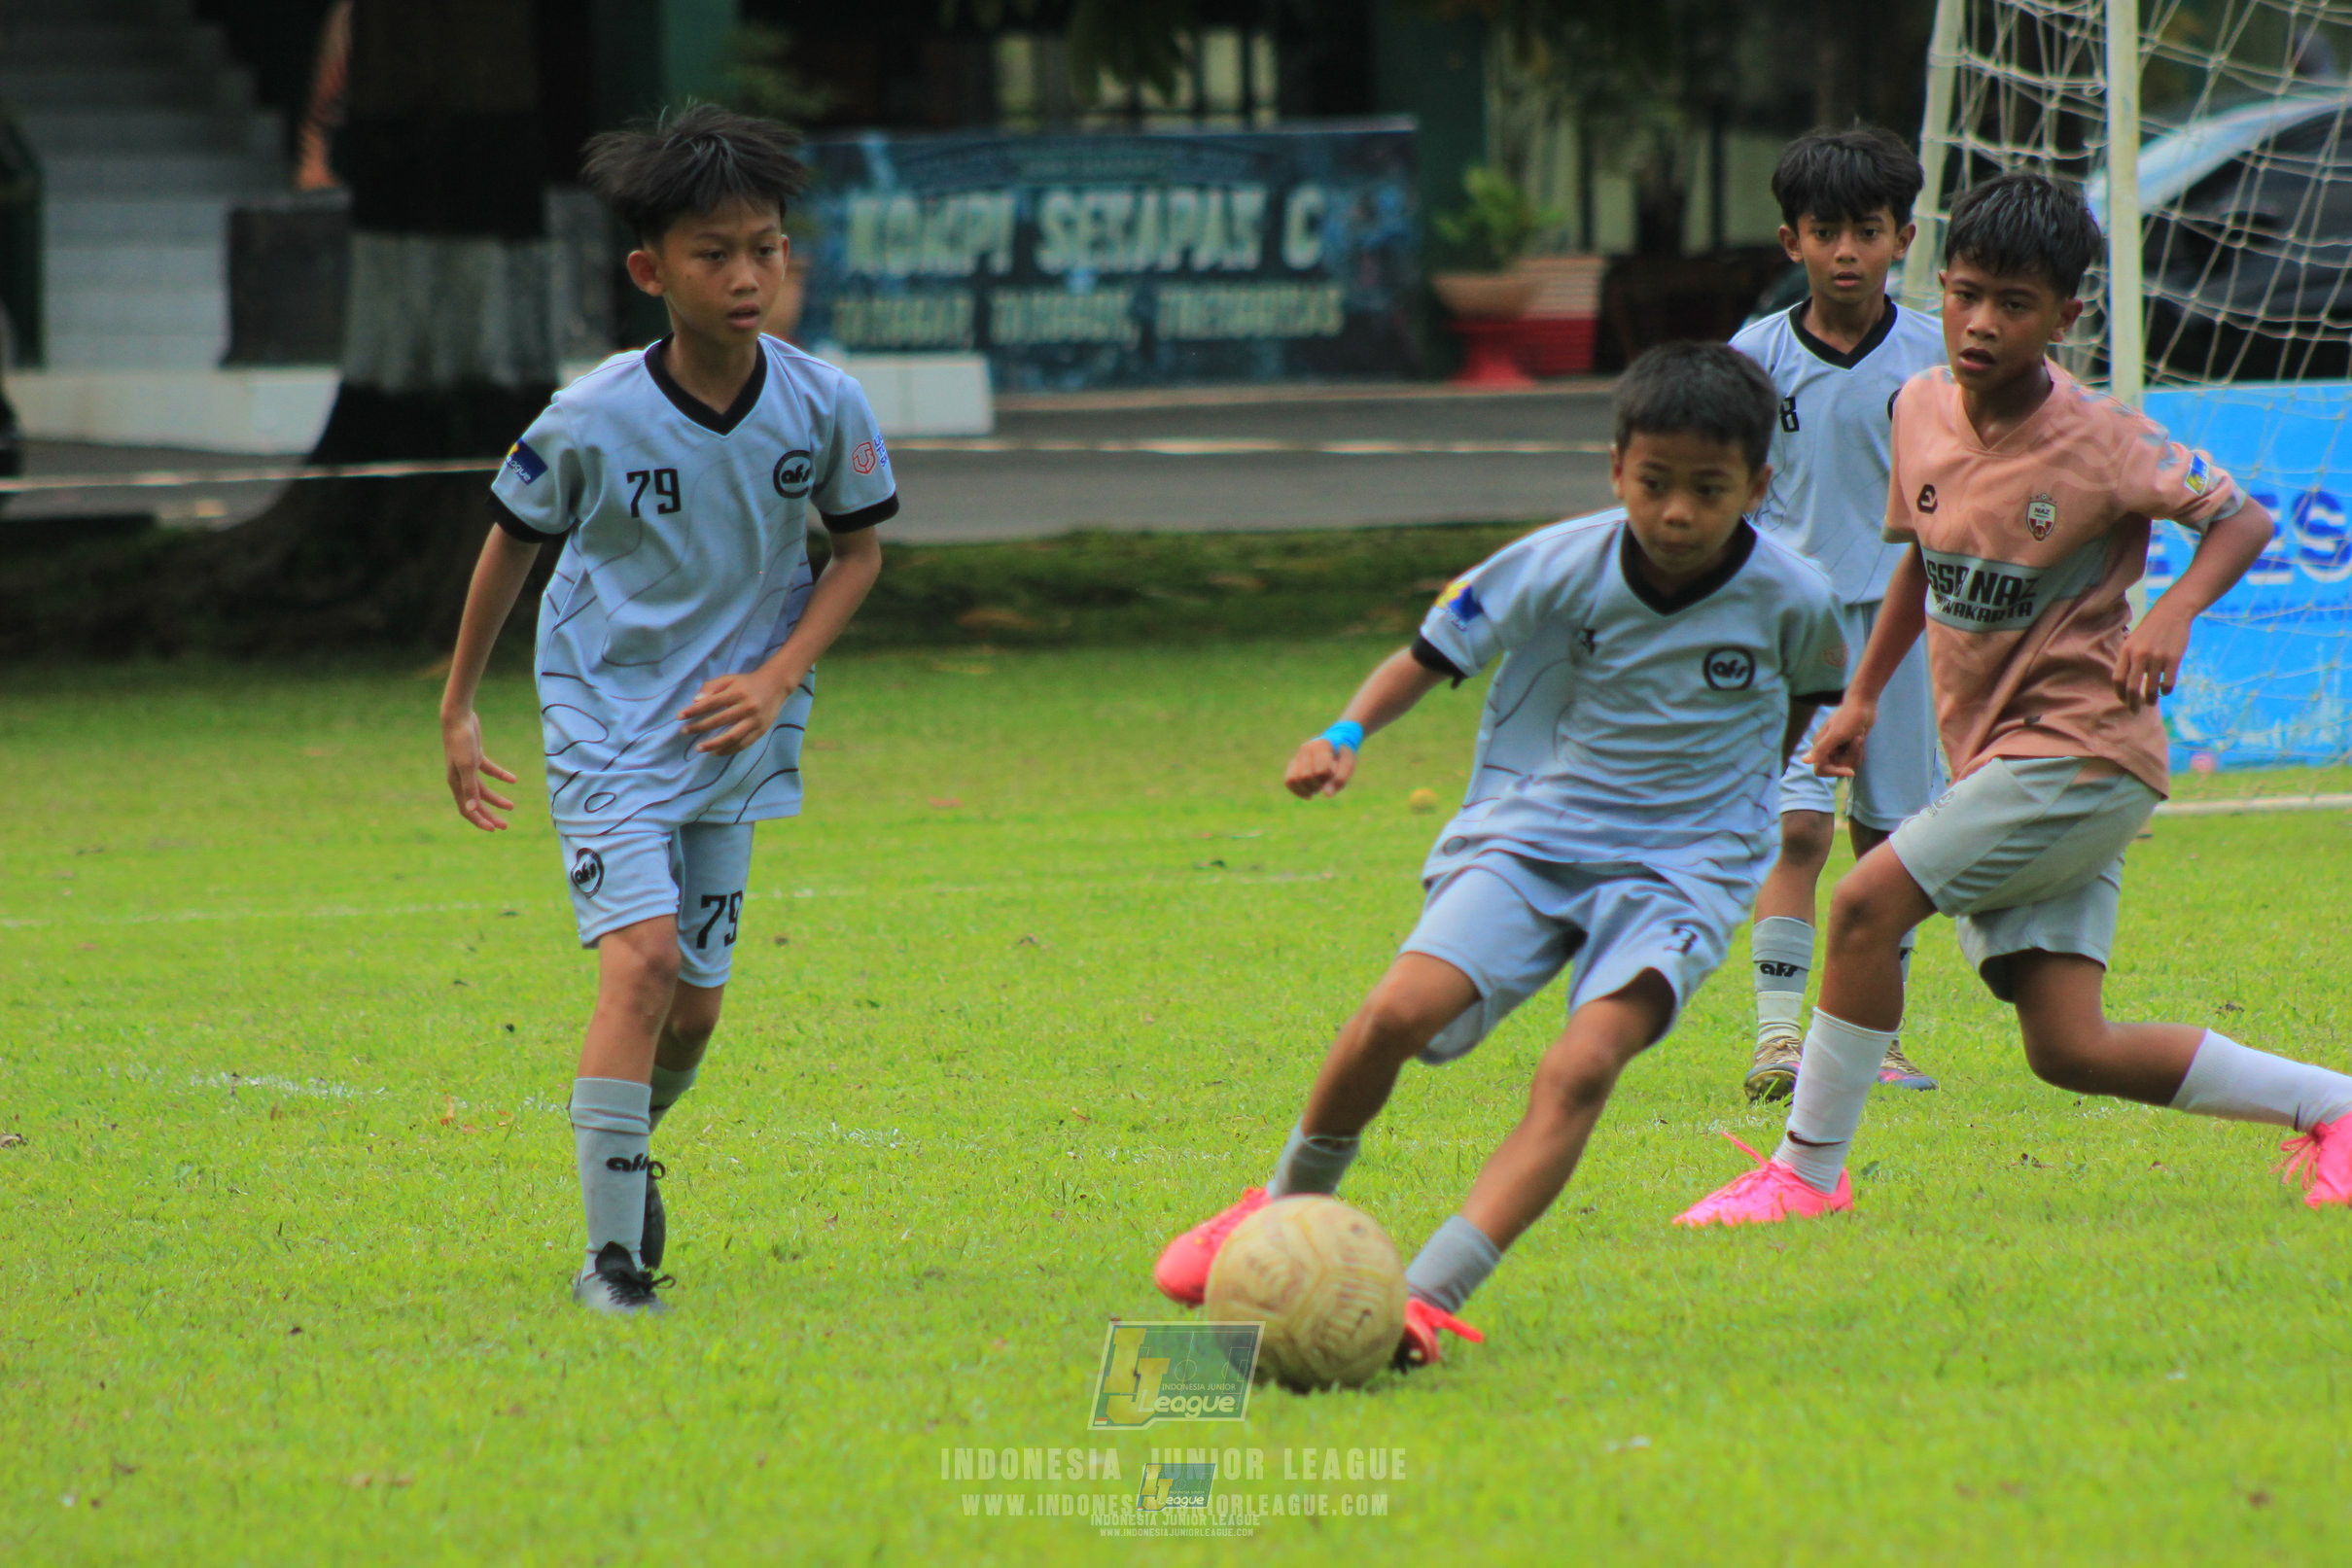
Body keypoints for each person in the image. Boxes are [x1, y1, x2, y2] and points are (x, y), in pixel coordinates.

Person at [1676, 172, 2352, 1229]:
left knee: (1859, 901)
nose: (1981, 323)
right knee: (2067, 1045)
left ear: (2065, 317)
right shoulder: (1918, 408)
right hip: (1996, 757)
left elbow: (2243, 521)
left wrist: (2172, 609)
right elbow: (1918, 562)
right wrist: (1857, 699)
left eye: (2014, 304)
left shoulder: (2102, 437)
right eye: (1967, 294)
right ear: (1939, 283)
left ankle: (1802, 1174)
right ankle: (2335, 1108)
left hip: (2081, 751)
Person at [1151, 343, 1850, 1363]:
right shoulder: (1554, 563)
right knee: (1392, 1011)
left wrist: (1729, 808)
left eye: (1709, 490)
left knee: (1581, 1066)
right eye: (1654, 484)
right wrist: (1342, 735)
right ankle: (1274, 1209)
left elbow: (1803, 699)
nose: (1677, 514)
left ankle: (1428, 1296)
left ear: (1757, 484)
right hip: (1534, 836)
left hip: (1685, 870)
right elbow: (1429, 655)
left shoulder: (1795, 597)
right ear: (1616, 467)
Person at [436, 106, 895, 1313]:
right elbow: (509, 546)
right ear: (651, 270)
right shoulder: (589, 416)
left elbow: (858, 556)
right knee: (638, 967)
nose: (748, 275)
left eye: (767, 247)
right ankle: (611, 1261)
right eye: (714, 253)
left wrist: (778, 671)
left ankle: (623, 1155)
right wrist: (460, 708)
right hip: (600, 714)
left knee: (693, 1012)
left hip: (730, 728)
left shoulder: (824, 402)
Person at [1729, 124, 1949, 1103]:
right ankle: (1779, 1038)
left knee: (1889, 839)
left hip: (1907, 631)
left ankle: (1873, 1041)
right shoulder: (1752, 357)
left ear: (1904, 236)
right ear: (1792, 244)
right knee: (1796, 830)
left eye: (1868, 230)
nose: (1848, 252)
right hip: (1790, 630)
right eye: (1827, 232)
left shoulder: (1938, 358)